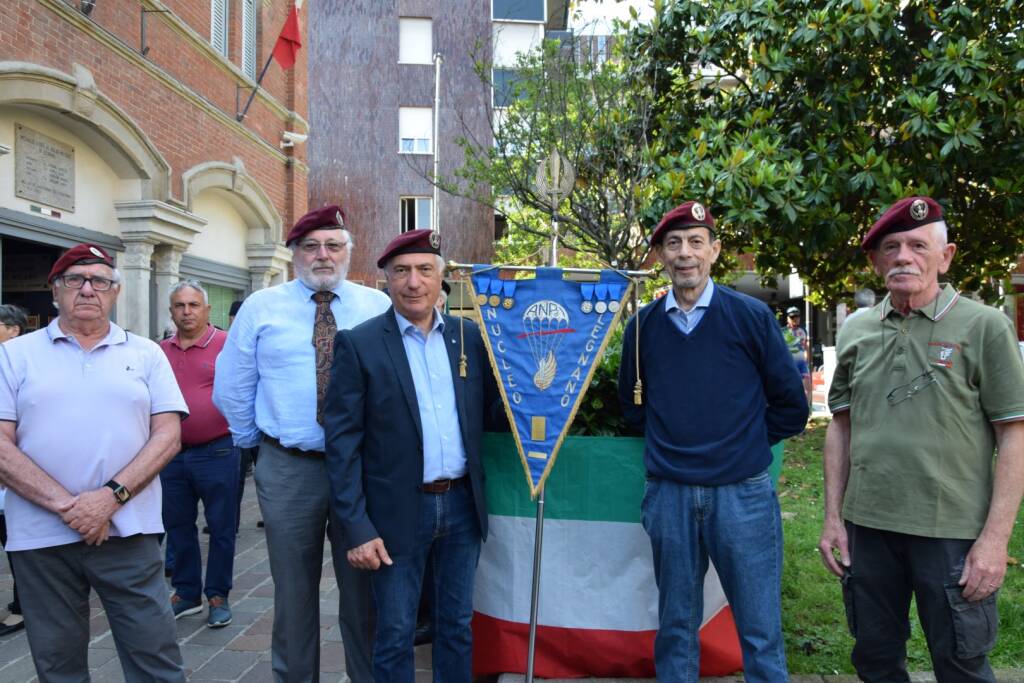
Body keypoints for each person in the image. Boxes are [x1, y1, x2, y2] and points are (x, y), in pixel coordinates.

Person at [819, 196, 1024, 683]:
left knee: (960, 663)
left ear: (946, 256)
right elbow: (840, 425)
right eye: (891, 247)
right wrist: (833, 519)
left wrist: (995, 542)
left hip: (951, 533)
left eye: (917, 245)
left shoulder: (984, 326)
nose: (903, 257)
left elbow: (1014, 434)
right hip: (867, 529)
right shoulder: (857, 330)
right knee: (875, 658)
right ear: (875, 260)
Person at [617, 201, 808, 682]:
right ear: (660, 253)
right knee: (676, 626)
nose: (686, 253)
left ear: (715, 251)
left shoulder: (750, 317)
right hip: (671, 495)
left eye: (696, 242)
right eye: (674, 243)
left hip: (742, 495)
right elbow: (632, 407)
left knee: (760, 628)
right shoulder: (642, 328)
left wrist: (740, 443)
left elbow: (791, 405)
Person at [213, 205, 389, 683]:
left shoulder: (377, 306)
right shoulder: (260, 307)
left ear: (349, 252)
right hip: (290, 468)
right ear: (294, 254)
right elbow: (232, 386)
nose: (322, 255)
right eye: (310, 246)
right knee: (292, 593)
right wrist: (263, 448)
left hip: (360, 470)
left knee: (365, 589)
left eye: (333, 245)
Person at [0, 244, 187, 680]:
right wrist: (71, 507)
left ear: (115, 292)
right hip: (41, 537)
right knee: (58, 663)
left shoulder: (146, 354)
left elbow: (168, 436)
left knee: (155, 657)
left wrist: (108, 500)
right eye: (74, 280)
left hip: (129, 528)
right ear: (55, 291)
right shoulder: (13, 356)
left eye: (99, 281)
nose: (87, 289)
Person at [324, 229, 503, 681]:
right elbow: (342, 445)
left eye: (425, 270)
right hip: (395, 513)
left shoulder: (469, 339)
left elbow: (491, 415)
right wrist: (357, 528)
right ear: (386, 279)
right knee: (396, 631)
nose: (414, 281)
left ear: (441, 278)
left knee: (457, 626)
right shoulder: (359, 343)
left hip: (462, 507)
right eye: (401, 271)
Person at [159, 280, 238, 628]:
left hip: (218, 451)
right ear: (171, 311)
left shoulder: (227, 344)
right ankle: (186, 592)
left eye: (194, 305)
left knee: (222, 528)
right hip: (170, 454)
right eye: (180, 305)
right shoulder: (160, 351)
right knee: (177, 526)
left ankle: (218, 595)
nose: (187, 312)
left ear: (207, 310)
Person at [0, 303, 28, 637]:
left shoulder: (19, 365)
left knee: (17, 544)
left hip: (13, 474)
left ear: (14, 330)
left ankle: (24, 606)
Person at [782, 306, 812, 404]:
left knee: (808, 388)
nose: (795, 319)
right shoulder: (783, 331)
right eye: (792, 317)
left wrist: (807, 359)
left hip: (802, 364)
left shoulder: (803, 331)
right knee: (791, 390)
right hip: (789, 365)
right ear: (787, 318)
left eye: (797, 317)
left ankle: (808, 411)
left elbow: (806, 346)